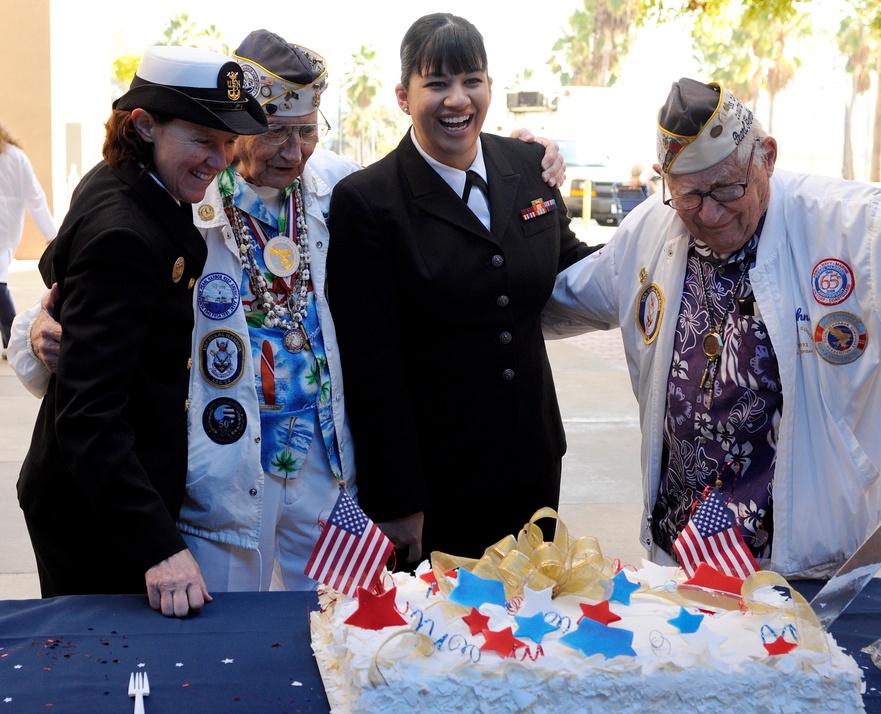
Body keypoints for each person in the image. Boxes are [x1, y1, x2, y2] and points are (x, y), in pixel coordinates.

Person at [11, 30, 567, 591]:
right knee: (225, 640)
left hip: (326, 472)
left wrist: (524, 154)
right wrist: (36, 327)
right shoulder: (185, 193)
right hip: (221, 478)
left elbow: (431, 180)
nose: (293, 151)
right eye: (275, 133)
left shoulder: (340, 189)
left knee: (346, 628)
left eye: (307, 131)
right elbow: (78, 287)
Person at [543, 77, 881, 579]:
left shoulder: (852, 225)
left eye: (727, 188)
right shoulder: (653, 226)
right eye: (690, 195)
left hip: (805, 570)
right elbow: (552, 296)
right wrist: (514, 175)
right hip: (678, 568)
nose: (710, 213)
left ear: (767, 156)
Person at [326, 13, 597, 565]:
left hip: (533, 459)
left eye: (471, 80)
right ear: (404, 96)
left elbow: (573, 264)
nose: (457, 100)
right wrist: (398, 498)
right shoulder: (369, 201)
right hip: (438, 480)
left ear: (490, 87)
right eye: (437, 84)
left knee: (532, 625)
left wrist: (666, 237)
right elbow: (371, 365)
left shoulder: (528, 165)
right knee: (450, 638)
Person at [16, 45, 268, 616]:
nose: (220, 160)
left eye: (229, 143)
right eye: (204, 140)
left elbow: (55, 263)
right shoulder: (126, 233)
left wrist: (57, 315)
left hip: (113, 487)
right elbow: (88, 415)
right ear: (145, 124)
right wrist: (158, 547)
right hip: (96, 512)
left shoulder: (124, 178)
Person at [0, 122, 57, 353]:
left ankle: (12, 338)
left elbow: (35, 196)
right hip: (11, 224)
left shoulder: (14, 157)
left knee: (0, 280)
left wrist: (51, 234)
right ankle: (10, 339)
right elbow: (35, 197)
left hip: (6, 223)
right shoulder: (17, 156)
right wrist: (50, 233)